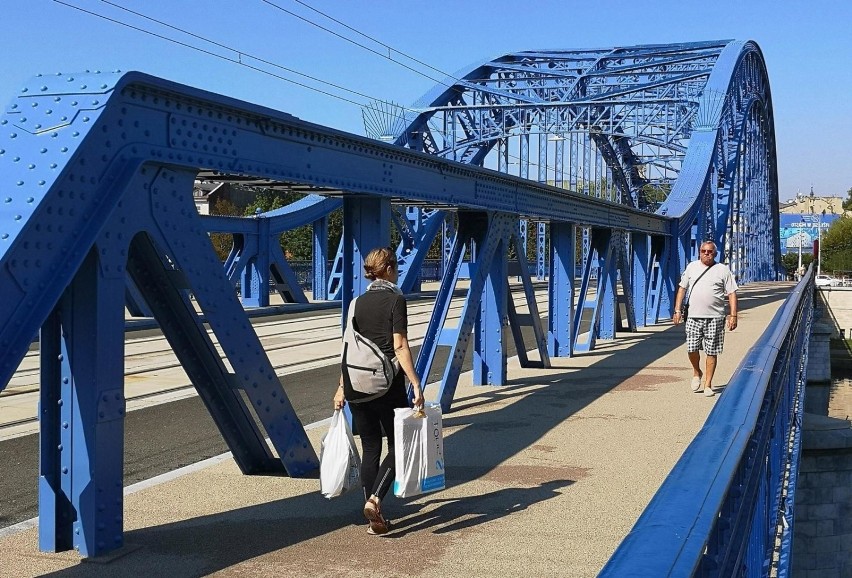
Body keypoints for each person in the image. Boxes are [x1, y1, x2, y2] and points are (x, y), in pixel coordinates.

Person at [333, 247, 424, 535]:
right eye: (395, 265)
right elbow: (399, 345)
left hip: (356, 385)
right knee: (400, 445)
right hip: (386, 386)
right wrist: (416, 383)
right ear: (387, 269)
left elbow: (349, 349)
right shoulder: (396, 299)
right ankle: (375, 500)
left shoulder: (356, 303)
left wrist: (341, 388)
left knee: (370, 446)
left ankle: (372, 513)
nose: (397, 270)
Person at [672, 241, 738, 397]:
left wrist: (733, 315)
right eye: (703, 251)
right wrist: (677, 310)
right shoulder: (692, 267)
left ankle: (708, 384)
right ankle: (697, 371)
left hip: (715, 317)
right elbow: (682, 288)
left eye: (710, 251)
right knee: (692, 348)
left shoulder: (723, 270)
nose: (706, 254)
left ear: (715, 253)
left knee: (711, 351)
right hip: (694, 316)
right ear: (699, 252)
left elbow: (732, 294)